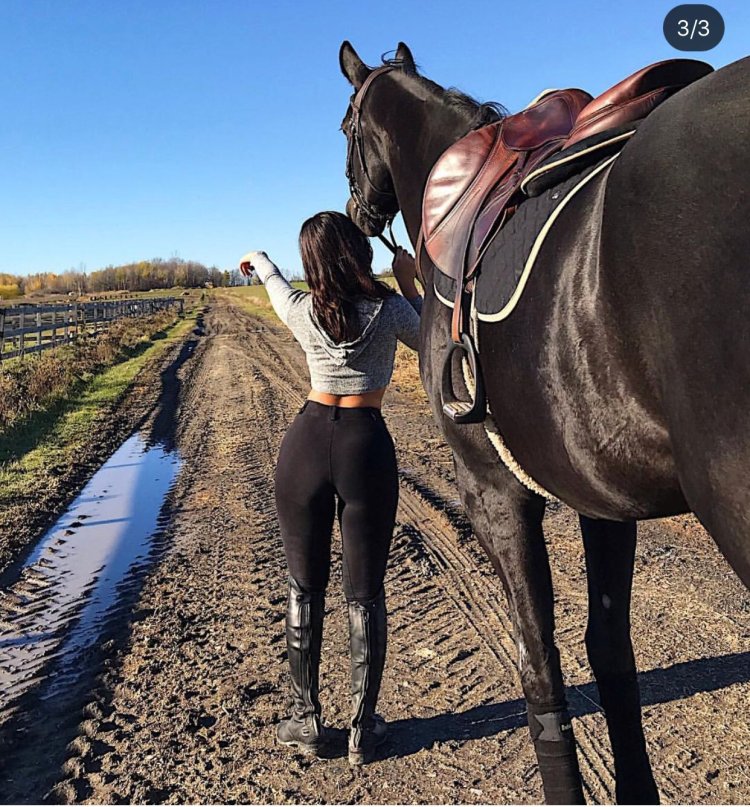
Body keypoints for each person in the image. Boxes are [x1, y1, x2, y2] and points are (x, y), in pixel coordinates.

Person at [239, 211, 421, 765]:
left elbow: (275, 285)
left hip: (306, 445)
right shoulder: (390, 310)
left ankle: (306, 719)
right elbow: (439, 339)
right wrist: (411, 279)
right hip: (366, 446)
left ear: (311, 262)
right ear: (357, 250)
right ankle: (364, 730)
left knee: (303, 585)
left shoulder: (301, 311)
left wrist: (261, 260)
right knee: (364, 592)